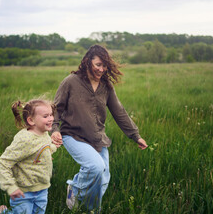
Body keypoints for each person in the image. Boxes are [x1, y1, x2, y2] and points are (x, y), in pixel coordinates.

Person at [51, 44, 148, 212]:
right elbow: (56, 109)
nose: (102, 69)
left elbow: (119, 112)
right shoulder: (71, 82)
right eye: (98, 65)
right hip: (73, 135)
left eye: (104, 66)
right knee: (95, 168)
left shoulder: (106, 86)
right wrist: (55, 130)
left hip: (97, 138)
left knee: (102, 178)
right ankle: (75, 187)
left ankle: (91, 210)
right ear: (88, 62)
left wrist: (135, 135)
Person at [0, 99, 60, 214]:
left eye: (51, 114)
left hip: (42, 188)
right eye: (46, 116)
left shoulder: (44, 133)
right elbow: (4, 161)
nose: (51, 118)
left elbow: (41, 151)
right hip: (23, 191)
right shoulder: (25, 140)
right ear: (31, 120)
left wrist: (54, 146)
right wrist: (11, 187)